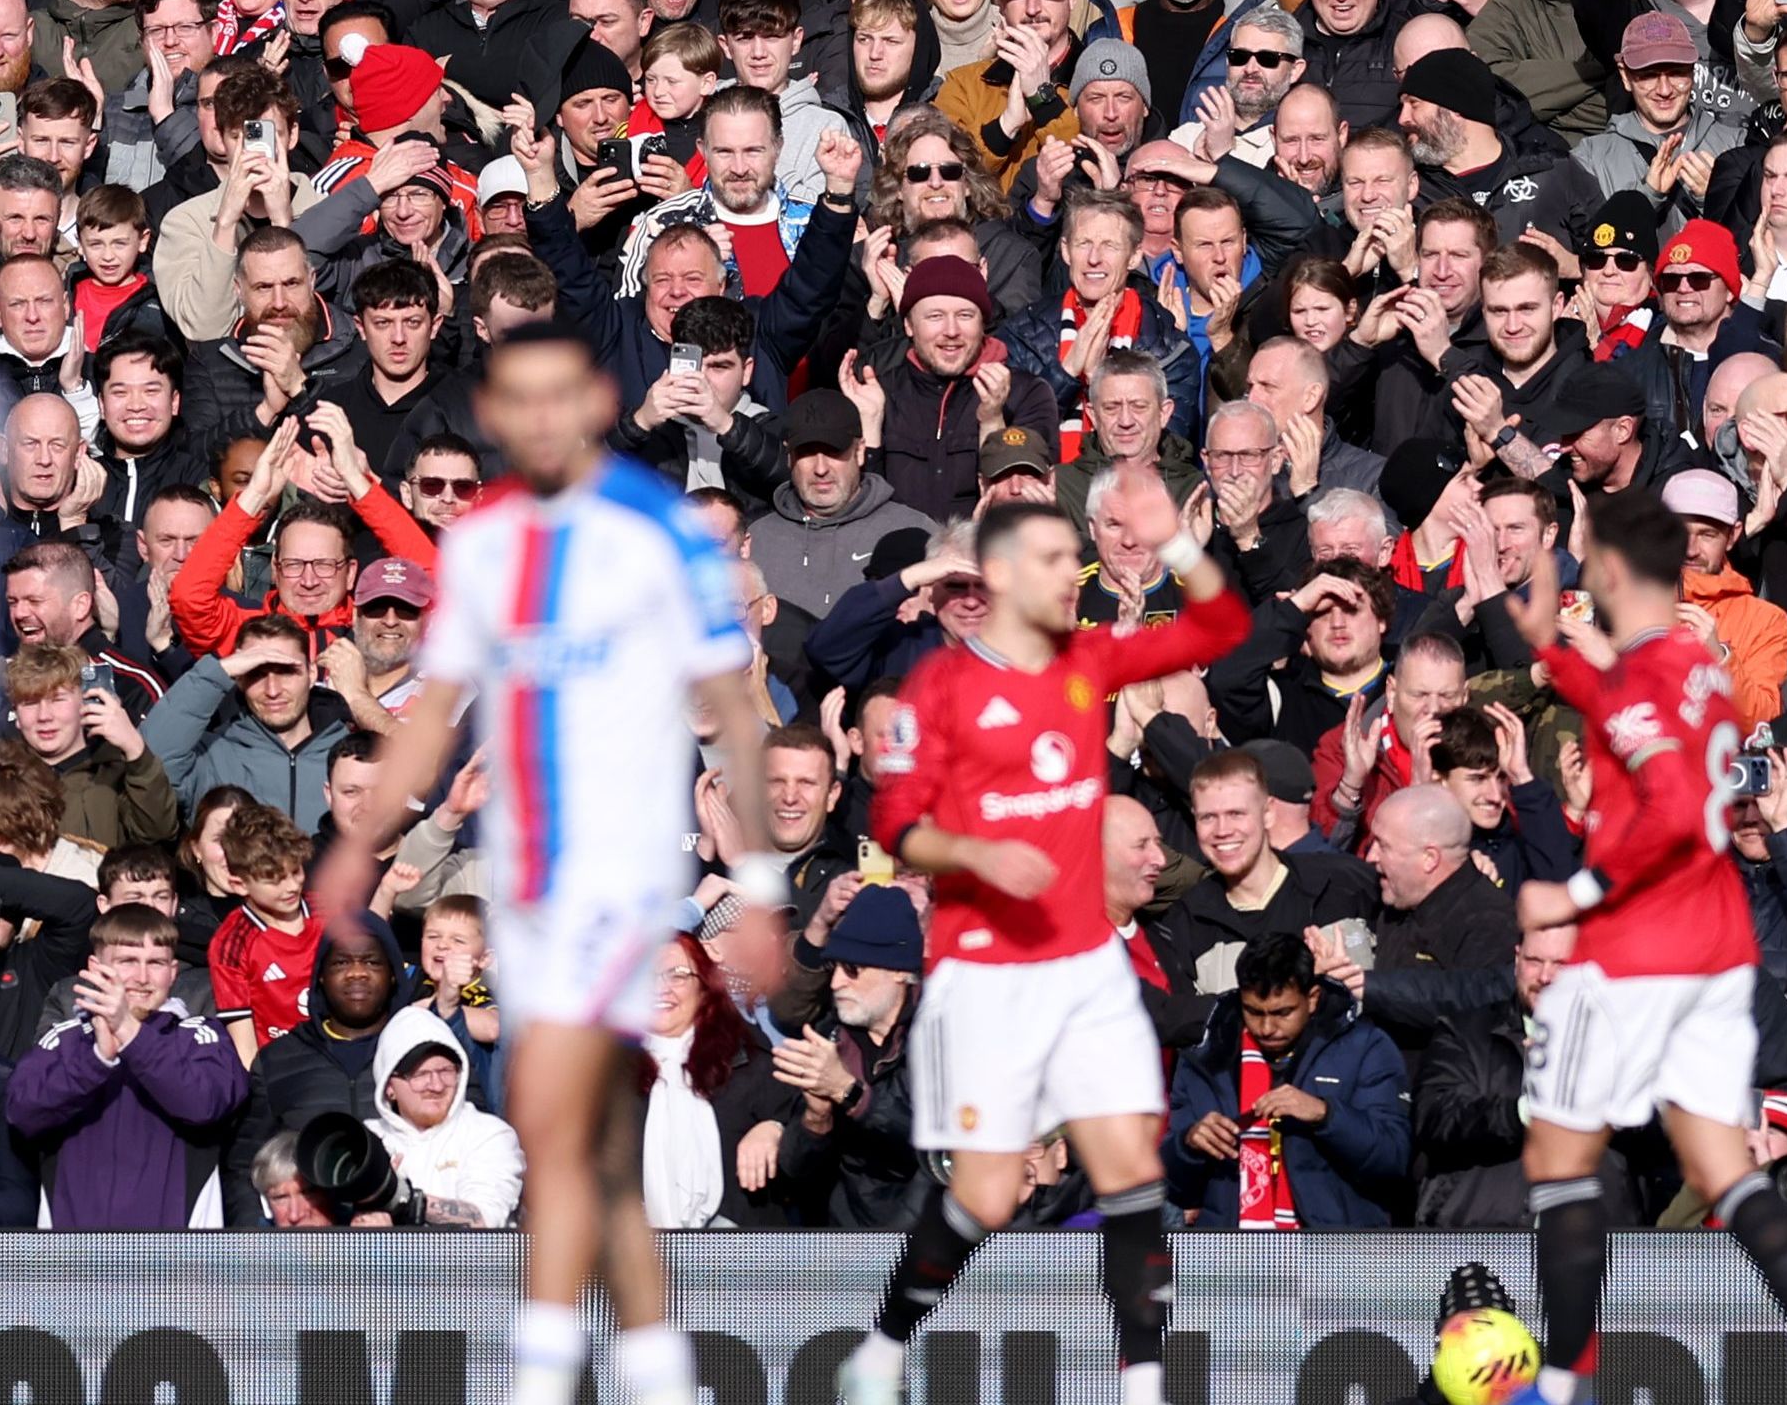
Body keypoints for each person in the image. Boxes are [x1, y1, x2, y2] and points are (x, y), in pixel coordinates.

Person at [305, 326, 774, 1405]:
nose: (541, 416)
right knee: (583, 1138)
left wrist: (757, 886)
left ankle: (548, 1365)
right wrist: (363, 845)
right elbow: (436, 715)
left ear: (599, 399)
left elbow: (739, 717)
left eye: (560, 394)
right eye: (519, 398)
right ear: (500, 414)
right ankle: (652, 1368)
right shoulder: (480, 546)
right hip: (521, 883)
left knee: (562, 1118)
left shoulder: (664, 533)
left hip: (623, 880)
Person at [840, 459, 1243, 1405]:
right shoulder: (938, 689)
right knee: (983, 1195)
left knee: (1129, 1169)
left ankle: (1141, 1380)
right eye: (1056, 558)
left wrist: (1177, 539)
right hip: (984, 972)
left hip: (1084, 965)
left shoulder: (1088, 660)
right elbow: (897, 821)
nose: (1075, 574)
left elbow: (1223, 627)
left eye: (1076, 556)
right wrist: (976, 855)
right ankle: (887, 1340)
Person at [1505, 488, 1787, 1405]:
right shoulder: (1696, 663)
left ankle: (1564, 1377)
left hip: (1640, 947)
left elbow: (1668, 798)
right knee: (1721, 1164)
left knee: (1557, 1155)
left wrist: (1576, 888)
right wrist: (1557, 646)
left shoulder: (1653, 671)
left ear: (1615, 571)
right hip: (1716, 948)